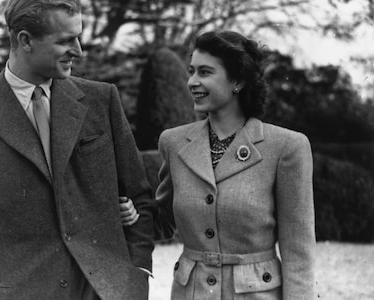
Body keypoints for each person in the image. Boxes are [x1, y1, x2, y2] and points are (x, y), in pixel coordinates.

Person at [0, 0, 156, 299]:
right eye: (66, 40)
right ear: (25, 40)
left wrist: (138, 275)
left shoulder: (101, 100)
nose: (79, 50)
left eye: (78, 37)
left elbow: (140, 198)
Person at [123, 30, 316, 299]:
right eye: (191, 71)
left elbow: (299, 252)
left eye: (204, 72)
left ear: (237, 80)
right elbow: (165, 222)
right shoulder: (173, 142)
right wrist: (134, 215)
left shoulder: (286, 147)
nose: (191, 82)